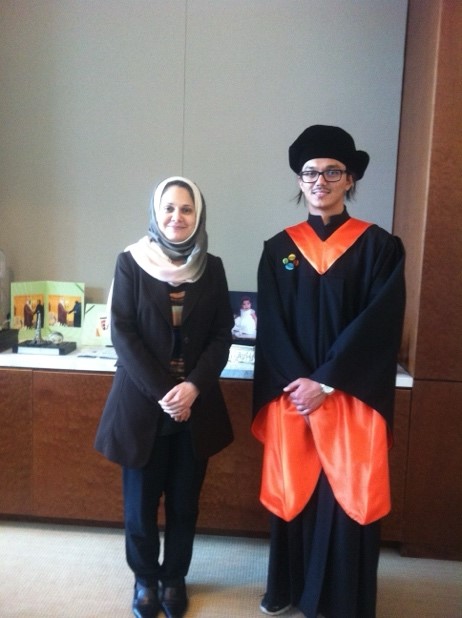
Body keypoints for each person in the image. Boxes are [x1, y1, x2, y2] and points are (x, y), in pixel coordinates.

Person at [252, 125, 405, 618]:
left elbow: (379, 323)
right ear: (300, 181)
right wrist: (302, 382)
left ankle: (341, 602)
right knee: (297, 489)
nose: (320, 181)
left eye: (332, 172)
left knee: (346, 496)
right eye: (310, 173)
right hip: (293, 394)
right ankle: (290, 590)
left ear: (350, 179)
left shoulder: (379, 247)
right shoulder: (279, 250)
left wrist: (326, 379)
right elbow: (270, 325)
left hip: (349, 395)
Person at [94, 176, 234, 618]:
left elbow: (220, 336)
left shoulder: (212, 267)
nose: (177, 217)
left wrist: (192, 387)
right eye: (169, 208)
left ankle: (174, 578)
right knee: (139, 507)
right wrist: (165, 392)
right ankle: (145, 580)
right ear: (156, 213)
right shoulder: (130, 262)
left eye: (186, 209)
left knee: (184, 503)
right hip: (142, 407)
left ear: (199, 215)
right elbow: (123, 334)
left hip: (196, 407)